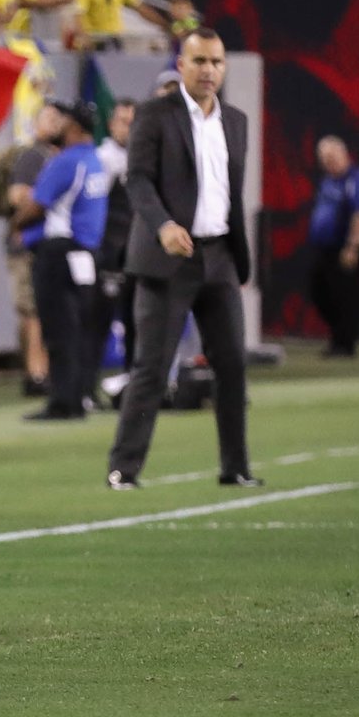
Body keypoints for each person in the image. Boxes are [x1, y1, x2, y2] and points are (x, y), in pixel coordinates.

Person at [106, 28, 260, 490]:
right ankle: (123, 469)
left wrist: (234, 250)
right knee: (152, 367)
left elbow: (229, 194)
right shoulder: (154, 115)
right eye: (199, 61)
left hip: (219, 257)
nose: (208, 70)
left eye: (215, 61)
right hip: (166, 258)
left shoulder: (235, 119)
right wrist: (164, 226)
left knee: (232, 365)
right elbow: (137, 181)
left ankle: (235, 467)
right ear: (181, 65)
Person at [14, 101, 108, 420]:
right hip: (86, 253)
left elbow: (36, 206)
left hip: (58, 253)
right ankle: (80, 394)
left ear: (74, 127)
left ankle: (63, 402)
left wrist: (17, 224)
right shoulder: (94, 160)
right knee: (80, 326)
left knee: (58, 329)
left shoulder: (65, 162)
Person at [1, 101, 67, 396]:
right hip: (25, 246)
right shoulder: (32, 155)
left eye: (58, 119)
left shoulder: (58, 154)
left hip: (46, 246)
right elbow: (16, 196)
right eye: (49, 119)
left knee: (46, 311)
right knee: (32, 312)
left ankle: (46, 372)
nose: (55, 124)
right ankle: (35, 374)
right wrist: (47, 195)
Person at [86, 98, 138, 402]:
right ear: (111, 123)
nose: (127, 128)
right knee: (97, 324)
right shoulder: (102, 158)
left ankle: (134, 388)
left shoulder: (144, 157)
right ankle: (86, 389)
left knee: (136, 324)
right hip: (107, 255)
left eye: (133, 122)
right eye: (122, 120)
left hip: (136, 256)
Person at [308, 136, 359, 358]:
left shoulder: (356, 179)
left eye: (331, 157)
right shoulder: (328, 180)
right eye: (323, 158)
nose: (328, 162)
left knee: (346, 297)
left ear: (344, 155)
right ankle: (337, 338)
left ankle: (345, 344)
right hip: (324, 248)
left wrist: (352, 247)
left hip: (344, 247)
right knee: (320, 292)